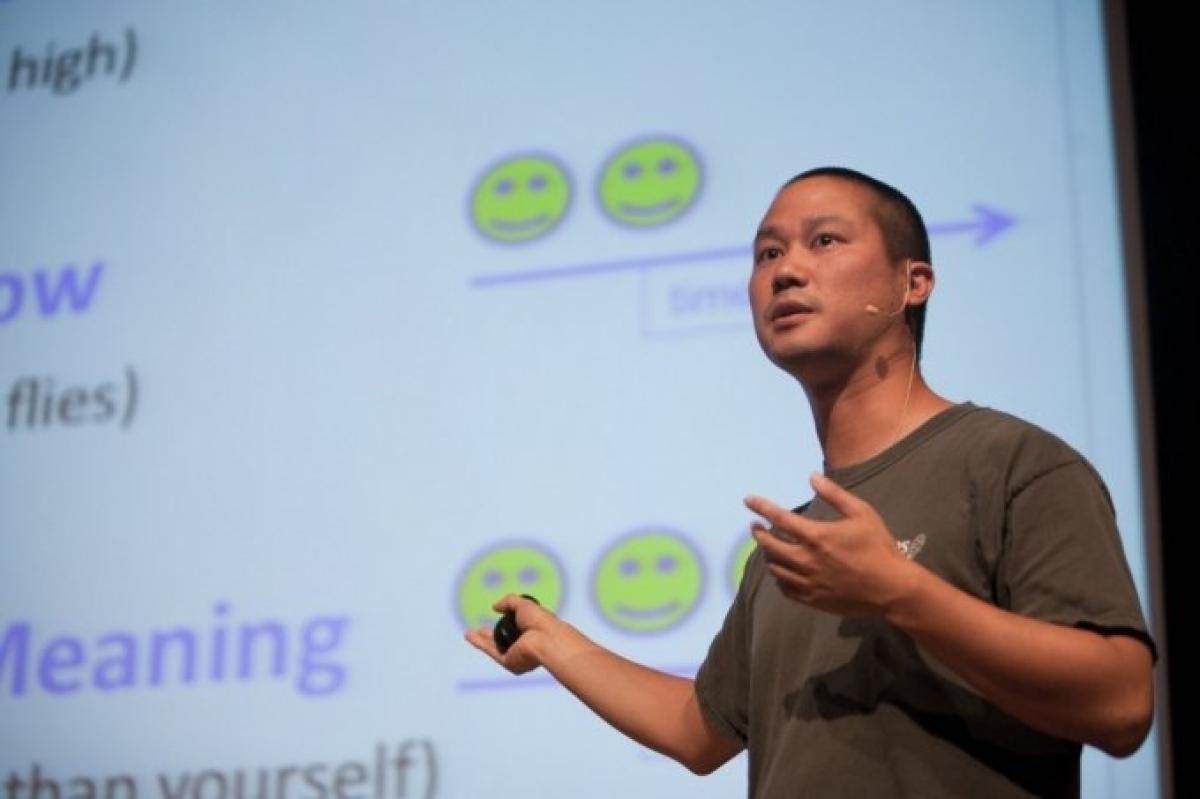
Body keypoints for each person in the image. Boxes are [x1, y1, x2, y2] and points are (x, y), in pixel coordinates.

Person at [464, 167, 1156, 797]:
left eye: (824, 241)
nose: (786, 270)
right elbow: (697, 730)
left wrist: (900, 591)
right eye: (768, 253)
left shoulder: (1012, 463)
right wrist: (555, 643)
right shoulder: (793, 548)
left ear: (913, 283)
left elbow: (1122, 704)